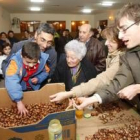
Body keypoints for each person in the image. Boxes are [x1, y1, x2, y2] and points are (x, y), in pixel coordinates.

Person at [72, 3, 140, 111]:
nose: (121, 36)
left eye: (124, 29)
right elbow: (116, 84)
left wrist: (138, 88)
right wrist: (92, 99)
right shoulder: (129, 55)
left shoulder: (122, 55)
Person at [50, 25, 125, 102]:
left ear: (81, 58)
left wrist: (87, 96)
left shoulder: (120, 58)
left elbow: (101, 80)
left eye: (73, 58)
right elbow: (54, 85)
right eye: (67, 57)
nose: (105, 43)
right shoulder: (61, 65)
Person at [5, 42, 49, 115]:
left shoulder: (42, 60)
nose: (31, 65)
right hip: (20, 88)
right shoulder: (15, 63)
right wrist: (18, 101)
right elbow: (11, 81)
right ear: (22, 56)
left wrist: (38, 78)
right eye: (28, 62)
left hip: (33, 87)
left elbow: (46, 72)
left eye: (34, 62)